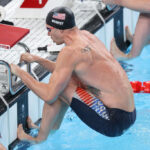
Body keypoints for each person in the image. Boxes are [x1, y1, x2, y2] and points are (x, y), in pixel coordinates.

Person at [11, 6, 136, 143]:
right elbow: (65, 70)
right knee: (63, 81)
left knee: (58, 86)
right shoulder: (87, 36)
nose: (48, 34)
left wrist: (19, 72)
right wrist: (38, 60)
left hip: (112, 119)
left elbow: (49, 95)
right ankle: (48, 131)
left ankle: (39, 139)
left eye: (49, 30)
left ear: (61, 29)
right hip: (128, 114)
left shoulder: (70, 51)